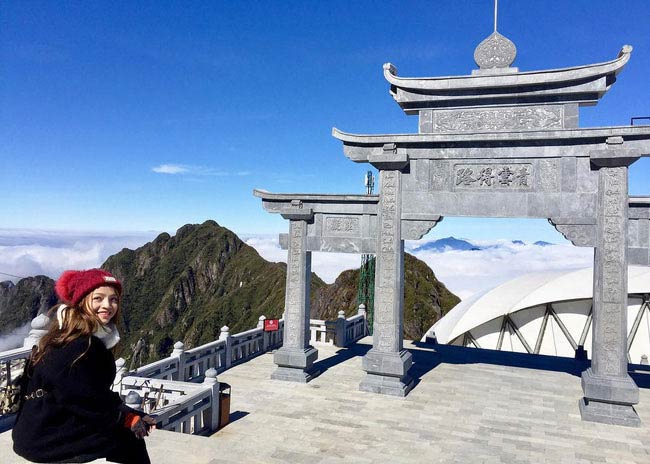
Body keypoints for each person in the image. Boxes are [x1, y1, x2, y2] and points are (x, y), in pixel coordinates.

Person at [12, 269, 156, 463]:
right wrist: (125, 419)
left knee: (124, 437)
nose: (108, 305)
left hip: (38, 430)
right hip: (45, 439)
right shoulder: (80, 345)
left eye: (113, 299)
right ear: (82, 301)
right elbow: (84, 402)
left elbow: (93, 393)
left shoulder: (68, 333)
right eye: (98, 298)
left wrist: (130, 412)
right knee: (129, 439)